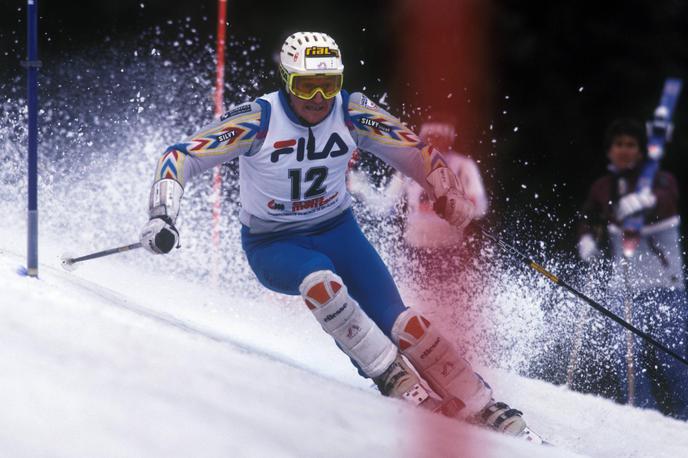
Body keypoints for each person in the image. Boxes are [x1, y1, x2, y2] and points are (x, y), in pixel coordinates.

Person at [140, 32, 541, 440]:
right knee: (322, 284)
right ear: (286, 80)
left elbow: (414, 151)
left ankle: (481, 403)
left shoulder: (351, 111)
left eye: (329, 84)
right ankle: (394, 379)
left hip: (338, 231)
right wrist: (163, 215)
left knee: (404, 323)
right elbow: (182, 155)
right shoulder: (258, 119)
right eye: (306, 85)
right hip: (274, 243)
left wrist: (446, 189)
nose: (318, 98)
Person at [577, 118, 688, 419]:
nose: (624, 150)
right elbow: (587, 216)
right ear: (609, 150)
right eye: (618, 144)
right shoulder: (603, 187)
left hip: (665, 287)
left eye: (630, 145)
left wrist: (646, 200)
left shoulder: (661, 180)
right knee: (626, 361)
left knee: (674, 361)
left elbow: (666, 200)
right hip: (624, 287)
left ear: (641, 151)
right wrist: (586, 239)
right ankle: (642, 420)